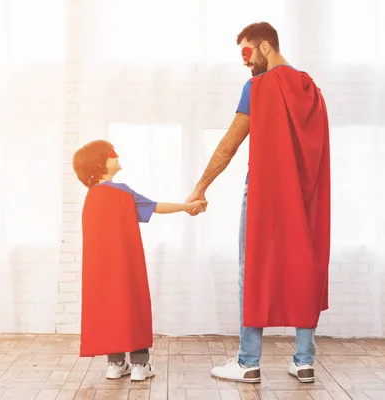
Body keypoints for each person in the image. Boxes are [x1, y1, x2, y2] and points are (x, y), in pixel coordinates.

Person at [185, 22, 331, 384]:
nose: (245, 63)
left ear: (265, 47)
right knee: (303, 267)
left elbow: (230, 144)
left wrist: (200, 186)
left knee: (250, 271)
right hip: (306, 196)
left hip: (266, 193)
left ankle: (248, 361)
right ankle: (304, 361)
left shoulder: (258, 87)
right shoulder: (311, 89)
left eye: (247, 53)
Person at [73, 140, 207, 381]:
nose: (117, 156)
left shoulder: (90, 197)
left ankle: (115, 363)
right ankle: (139, 366)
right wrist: (188, 206)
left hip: (99, 271)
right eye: (112, 154)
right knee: (133, 305)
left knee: (109, 306)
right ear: (100, 163)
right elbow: (156, 207)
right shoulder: (121, 192)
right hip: (126, 266)